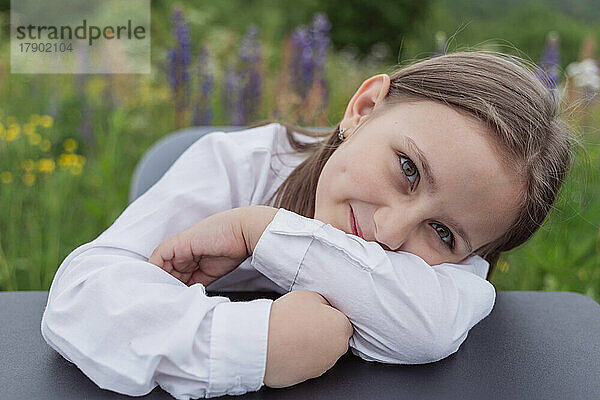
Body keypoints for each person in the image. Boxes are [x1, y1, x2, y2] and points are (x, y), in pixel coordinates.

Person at [41, 50, 578, 399]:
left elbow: (429, 327)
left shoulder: (467, 253)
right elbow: (82, 294)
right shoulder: (237, 165)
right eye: (408, 170)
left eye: (443, 233)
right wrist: (256, 344)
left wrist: (261, 233)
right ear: (363, 108)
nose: (391, 233)